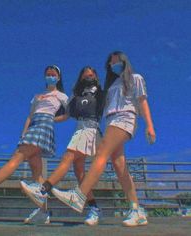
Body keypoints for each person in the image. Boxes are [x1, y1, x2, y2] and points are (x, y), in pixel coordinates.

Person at [50, 51, 156, 227]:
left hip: (125, 117)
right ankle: (136, 209)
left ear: (124, 62)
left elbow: (142, 101)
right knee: (119, 165)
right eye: (111, 64)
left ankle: (79, 194)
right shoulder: (112, 84)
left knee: (102, 153)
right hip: (111, 121)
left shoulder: (135, 78)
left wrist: (150, 125)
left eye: (117, 62)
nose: (114, 65)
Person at [0, 65, 68, 224]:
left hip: (44, 126)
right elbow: (30, 116)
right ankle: (43, 213)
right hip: (33, 126)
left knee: (16, 158)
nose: (50, 76)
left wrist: (52, 119)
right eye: (48, 74)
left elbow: (68, 114)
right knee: (37, 174)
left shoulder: (61, 96)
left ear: (58, 77)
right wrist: (24, 132)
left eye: (53, 74)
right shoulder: (38, 96)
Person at [20, 66, 104, 226]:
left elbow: (103, 106)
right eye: (86, 75)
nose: (89, 77)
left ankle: (43, 189)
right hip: (80, 127)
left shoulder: (99, 91)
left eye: (92, 75)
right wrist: (47, 119)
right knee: (79, 173)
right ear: (81, 78)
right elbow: (66, 115)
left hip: (90, 127)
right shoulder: (76, 94)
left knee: (68, 156)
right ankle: (94, 208)